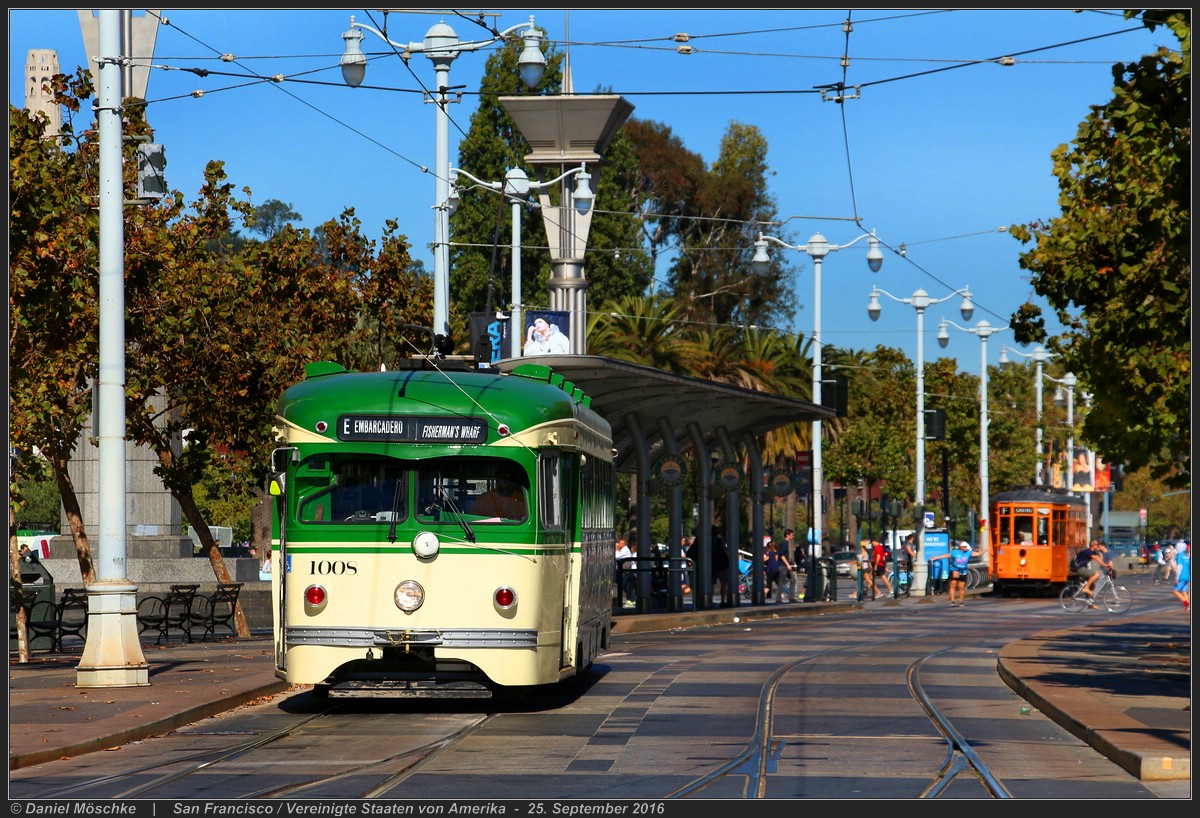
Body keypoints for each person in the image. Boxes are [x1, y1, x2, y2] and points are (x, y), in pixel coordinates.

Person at [930, 540, 984, 606]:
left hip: (963, 571)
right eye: (964, 547)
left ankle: (961, 602)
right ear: (961, 547)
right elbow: (946, 555)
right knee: (953, 586)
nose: (966, 548)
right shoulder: (955, 552)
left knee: (961, 587)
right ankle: (953, 602)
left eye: (966, 547)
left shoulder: (969, 553)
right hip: (955, 570)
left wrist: (985, 549)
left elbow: (979, 553)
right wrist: (936, 557)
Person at [1075, 539, 1112, 607]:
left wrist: (1100, 553)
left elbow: (1100, 558)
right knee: (1097, 573)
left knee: (1093, 585)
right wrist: (1106, 565)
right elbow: (1097, 560)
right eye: (1097, 545)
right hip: (1080, 569)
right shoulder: (1089, 552)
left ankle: (1090, 603)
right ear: (1093, 545)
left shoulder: (1093, 552)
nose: (1098, 546)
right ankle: (1086, 588)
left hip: (1083, 568)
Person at [615, 535, 635, 608]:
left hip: (626, 571)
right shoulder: (622, 549)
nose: (619, 545)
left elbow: (616, 556)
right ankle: (630, 599)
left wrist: (616, 550)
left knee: (625, 585)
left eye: (620, 543)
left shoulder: (625, 550)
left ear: (624, 544)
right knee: (624, 585)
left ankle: (631, 599)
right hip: (622, 571)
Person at [1170, 540, 1189, 612]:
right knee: (1184, 591)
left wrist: (1177, 577)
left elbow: (1180, 567)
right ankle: (1187, 607)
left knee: (1175, 591)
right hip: (1187, 576)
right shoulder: (1186, 556)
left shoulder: (1180, 556)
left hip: (1181, 576)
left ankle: (1187, 603)